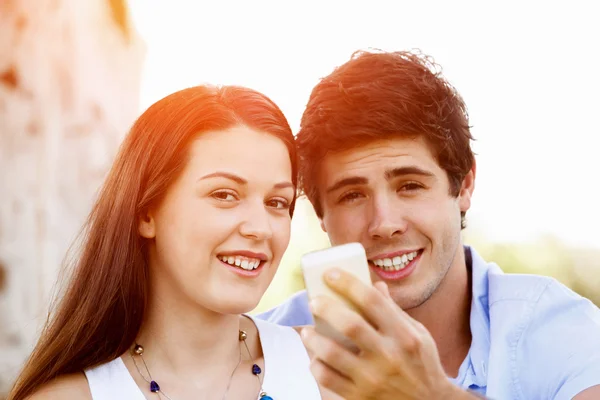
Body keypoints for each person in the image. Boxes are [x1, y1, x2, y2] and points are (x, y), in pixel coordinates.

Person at [257, 50, 600, 400]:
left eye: (410, 186)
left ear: (464, 186)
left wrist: (431, 394)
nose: (384, 224)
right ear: (320, 214)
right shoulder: (266, 343)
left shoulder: (563, 331)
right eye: (352, 195)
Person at [9, 85, 321, 400]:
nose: (261, 228)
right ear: (146, 213)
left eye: (278, 202)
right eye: (224, 195)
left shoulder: (331, 371)